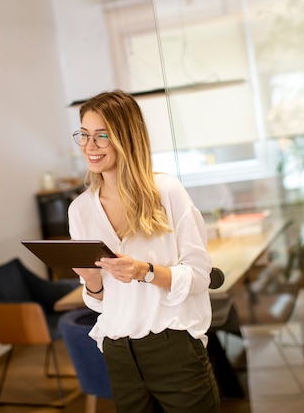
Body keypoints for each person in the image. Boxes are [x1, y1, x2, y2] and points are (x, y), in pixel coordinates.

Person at [68, 90, 220, 413]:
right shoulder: (80, 211)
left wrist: (144, 271)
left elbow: (198, 276)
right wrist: (93, 281)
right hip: (119, 353)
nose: (89, 147)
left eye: (101, 136)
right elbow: (96, 301)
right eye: (83, 135)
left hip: (173, 346)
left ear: (125, 138)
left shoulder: (167, 193)